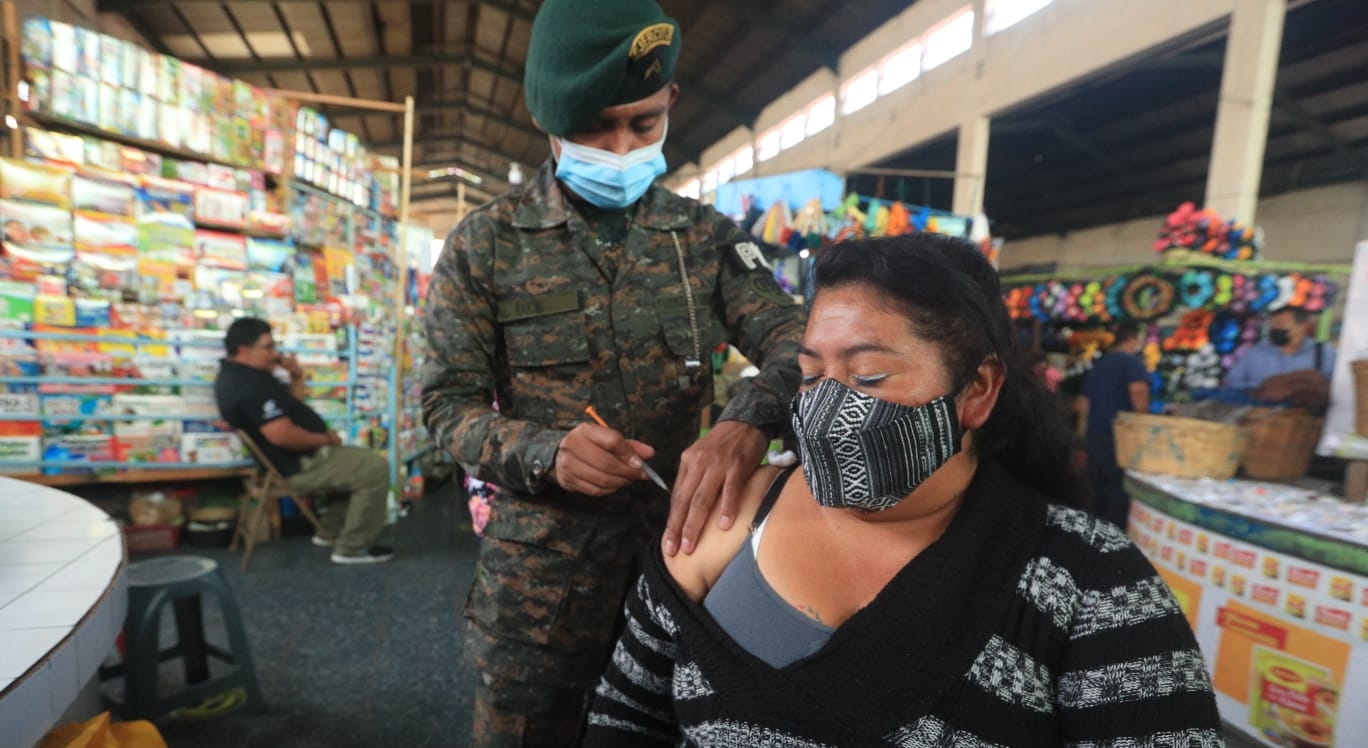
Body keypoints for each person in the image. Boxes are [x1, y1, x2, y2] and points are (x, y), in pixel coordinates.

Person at [583, 235, 1222, 747]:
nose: (828, 408)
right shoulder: (729, 516)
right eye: (811, 376)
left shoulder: (1089, 578)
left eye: (868, 376)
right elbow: (624, 718)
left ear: (977, 390)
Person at [419, 0, 805, 743]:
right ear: (547, 118)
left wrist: (748, 422)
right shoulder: (485, 245)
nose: (622, 147)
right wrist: (546, 452)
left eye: (644, 122)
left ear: (672, 101)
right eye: (596, 127)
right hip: (541, 593)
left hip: (681, 568)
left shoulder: (704, 239)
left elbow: (800, 344)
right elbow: (446, 407)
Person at [214, 317, 394, 565]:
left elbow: (292, 405)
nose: (274, 353)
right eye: (268, 347)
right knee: (375, 468)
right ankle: (352, 548)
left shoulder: (243, 376)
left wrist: (295, 375)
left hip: (291, 461)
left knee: (356, 463)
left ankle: (328, 531)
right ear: (244, 350)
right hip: (297, 465)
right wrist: (325, 439)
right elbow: (281, 435)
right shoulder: (249, 385)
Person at [1079, 322, 1150, 528]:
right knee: (1117, 494)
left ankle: (1091, 531)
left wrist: (1082, 431)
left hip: (1096, 435)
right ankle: (1111, 536)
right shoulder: (1132, 362)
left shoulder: (1100, 364)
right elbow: (1138, 393)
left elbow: (1084, 403)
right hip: (1121, 439)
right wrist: (1144, 427)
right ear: (1132, 340)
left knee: (1095, 489)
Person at [1225, 306, 1336, 408]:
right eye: (1272, 324)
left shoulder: (1324, 353)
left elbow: (1337, 390)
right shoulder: (1256, 352)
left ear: (1302, 326)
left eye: (1281, 323)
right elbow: (1232, 383)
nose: (1275, 328)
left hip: (1303, 418)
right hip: (1259, 415)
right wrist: (1262, 387)